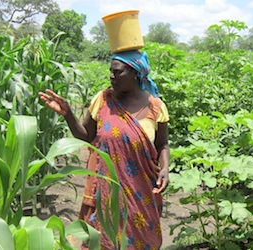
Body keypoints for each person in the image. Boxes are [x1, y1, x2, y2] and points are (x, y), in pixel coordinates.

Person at [39, 50, 170, 250]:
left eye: (117, 73)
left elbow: (162, 144)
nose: (111, 76)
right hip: (108, 193)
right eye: (111, 72)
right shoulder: (103, 100)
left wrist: (165, 168)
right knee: (105, 240)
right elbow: (86, 136)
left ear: (135, 73)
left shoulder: (156, 107)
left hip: (142, 192)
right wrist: (68, 114)